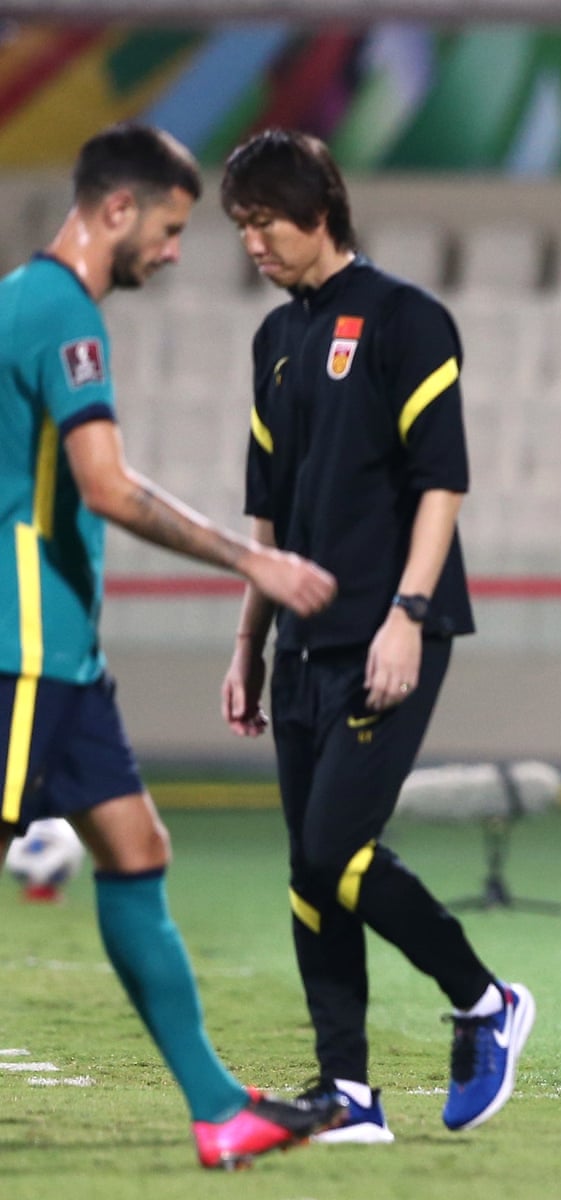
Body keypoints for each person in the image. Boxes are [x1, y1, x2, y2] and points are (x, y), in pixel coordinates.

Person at [0, 123, 349, 1167]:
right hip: (21, 645)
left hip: (62, 653)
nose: (175, 250)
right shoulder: (59, 313)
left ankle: (218, 1110)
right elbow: (107, 487)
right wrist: (254, 563)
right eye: (170, 227)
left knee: (136, 850)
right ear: (118, 209)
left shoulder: (24, 303)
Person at [218, 128, 535, 1142]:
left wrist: (407, 614)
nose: (252, 243)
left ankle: (485, 1000)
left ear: (319, 211)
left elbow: (442, 483)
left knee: (334, 849)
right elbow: (267, 515)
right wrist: (248, 643)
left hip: (390, 630)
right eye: (241, 226)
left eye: (264, 221)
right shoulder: (274, 340)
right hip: (301, 645)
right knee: (309, 871)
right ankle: (347, 1092)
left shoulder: (407, 319)